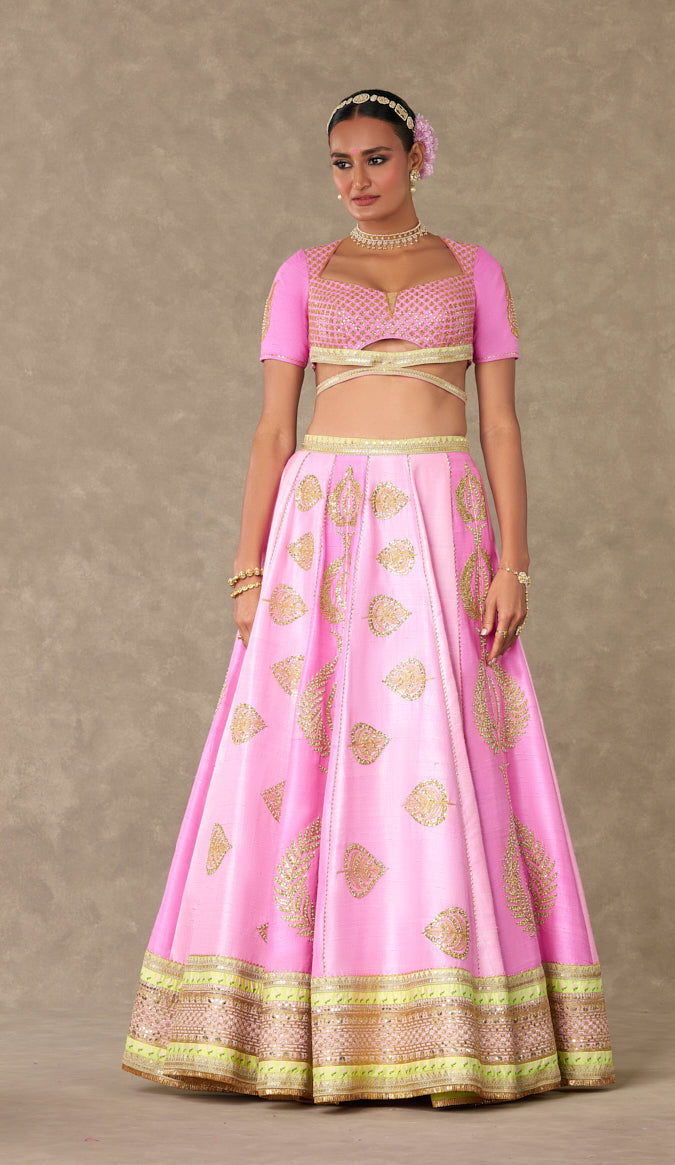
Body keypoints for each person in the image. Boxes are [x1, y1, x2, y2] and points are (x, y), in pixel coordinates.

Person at [122, 88, 615, 1107]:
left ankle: (451, 1022)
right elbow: (272, 429)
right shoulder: (303, 274)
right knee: (299, 750)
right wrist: (248, 568)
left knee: (440, 742)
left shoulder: (474, 270)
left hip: (438, 516)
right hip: (323, 524)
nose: (357, 181)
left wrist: (514, 563)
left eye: (376, 159)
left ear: (416, 158)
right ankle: (282, 1026)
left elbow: (502, 426)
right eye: (340, 163)